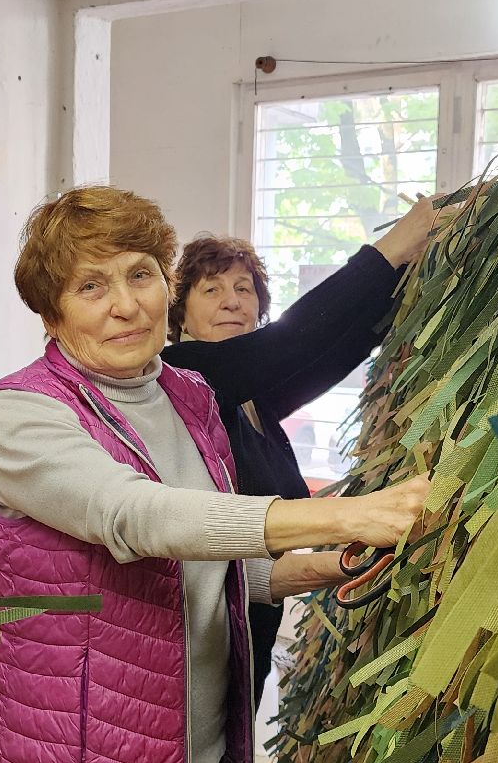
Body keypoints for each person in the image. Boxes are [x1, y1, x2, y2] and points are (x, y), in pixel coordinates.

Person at [0, 185, 430, 763]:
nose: (124, 306)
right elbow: (140, 518)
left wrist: (323, 566)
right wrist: (338, 516)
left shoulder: (190, 394)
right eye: (90, 286)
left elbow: (222, 567)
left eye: (140, 275)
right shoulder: (19, 415)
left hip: (196, 761)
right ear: (51, 315)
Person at [162, 200, 449, 711]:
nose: (232, 301)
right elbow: (294, 341)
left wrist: (411, 273)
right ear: (179, 313)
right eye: (212, 289)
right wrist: (387, 249)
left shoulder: (254, 399)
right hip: (187, 645)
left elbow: (338, 346)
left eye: (243, 289)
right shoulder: (180, 375)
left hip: (248, 632)